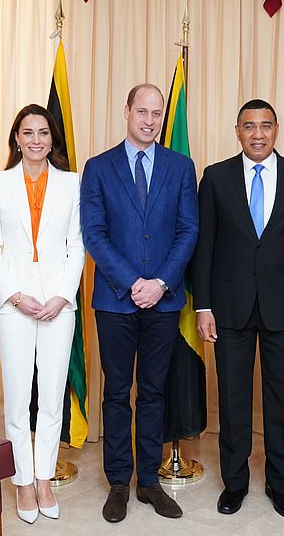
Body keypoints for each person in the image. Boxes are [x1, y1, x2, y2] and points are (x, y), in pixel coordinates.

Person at [192, 99, 284, 518]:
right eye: (250, 126)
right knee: (232, 399)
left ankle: (279, 485)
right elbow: (205, 247)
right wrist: (204, 306)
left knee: (280, 401)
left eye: (266, 125)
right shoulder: (215, 177)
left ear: (277, 130)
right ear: (237, 131)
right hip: (229, 307)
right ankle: (235, 483)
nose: (258, 134)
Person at [80, 83, 199, 523]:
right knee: (116, 392)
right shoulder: (98, 167)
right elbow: (94, 233)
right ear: (126, 111)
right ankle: (117, 482)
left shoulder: (181, 166)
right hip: (115, 302)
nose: (149, 120)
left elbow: (189, 230)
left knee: (153, 392)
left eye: (156, 113)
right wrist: (133, 283)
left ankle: (148, 481)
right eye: (141, 111)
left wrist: (162, 282)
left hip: (164, 302)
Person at [0, 104, 85, 524]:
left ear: (52, 139)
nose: (36, 140)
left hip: (59, 304)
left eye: (43, 132)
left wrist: (62, 296)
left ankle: (45, 478)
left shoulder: (72, 184)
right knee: (19, 397)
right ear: (17, 139)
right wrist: (15, 295)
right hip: (16, 304)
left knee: (52, 397)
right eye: (28, 133)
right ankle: (22, 481)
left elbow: (77, 245)